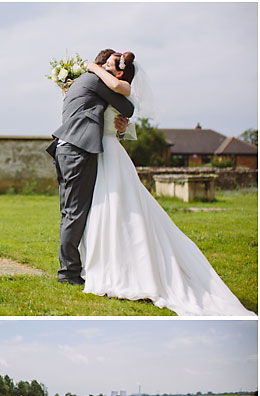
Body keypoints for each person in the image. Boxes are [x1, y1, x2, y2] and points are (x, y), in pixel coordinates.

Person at [78, 52, 254, 315]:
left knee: (120, 206)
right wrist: (123, 127)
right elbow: (114, 117)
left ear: (120, 72)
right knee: (104, 205)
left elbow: (119, 98)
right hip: (102, 150)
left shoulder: (116, 86)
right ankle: (101, 260)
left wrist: (92, 67)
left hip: (110, 152)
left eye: (112, 64)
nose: (106, 66)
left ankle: (122, 267)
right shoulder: (101, 89)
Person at [47, 48, 134, 286]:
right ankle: (68, 273)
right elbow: (127, 108)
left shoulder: (81, 82)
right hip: (78, 151)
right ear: (104, 65)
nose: (116, 73)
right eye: (114, 66)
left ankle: (71, 267)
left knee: (68, 212)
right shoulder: (95, 80)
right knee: (74, 213)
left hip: (64, 148)